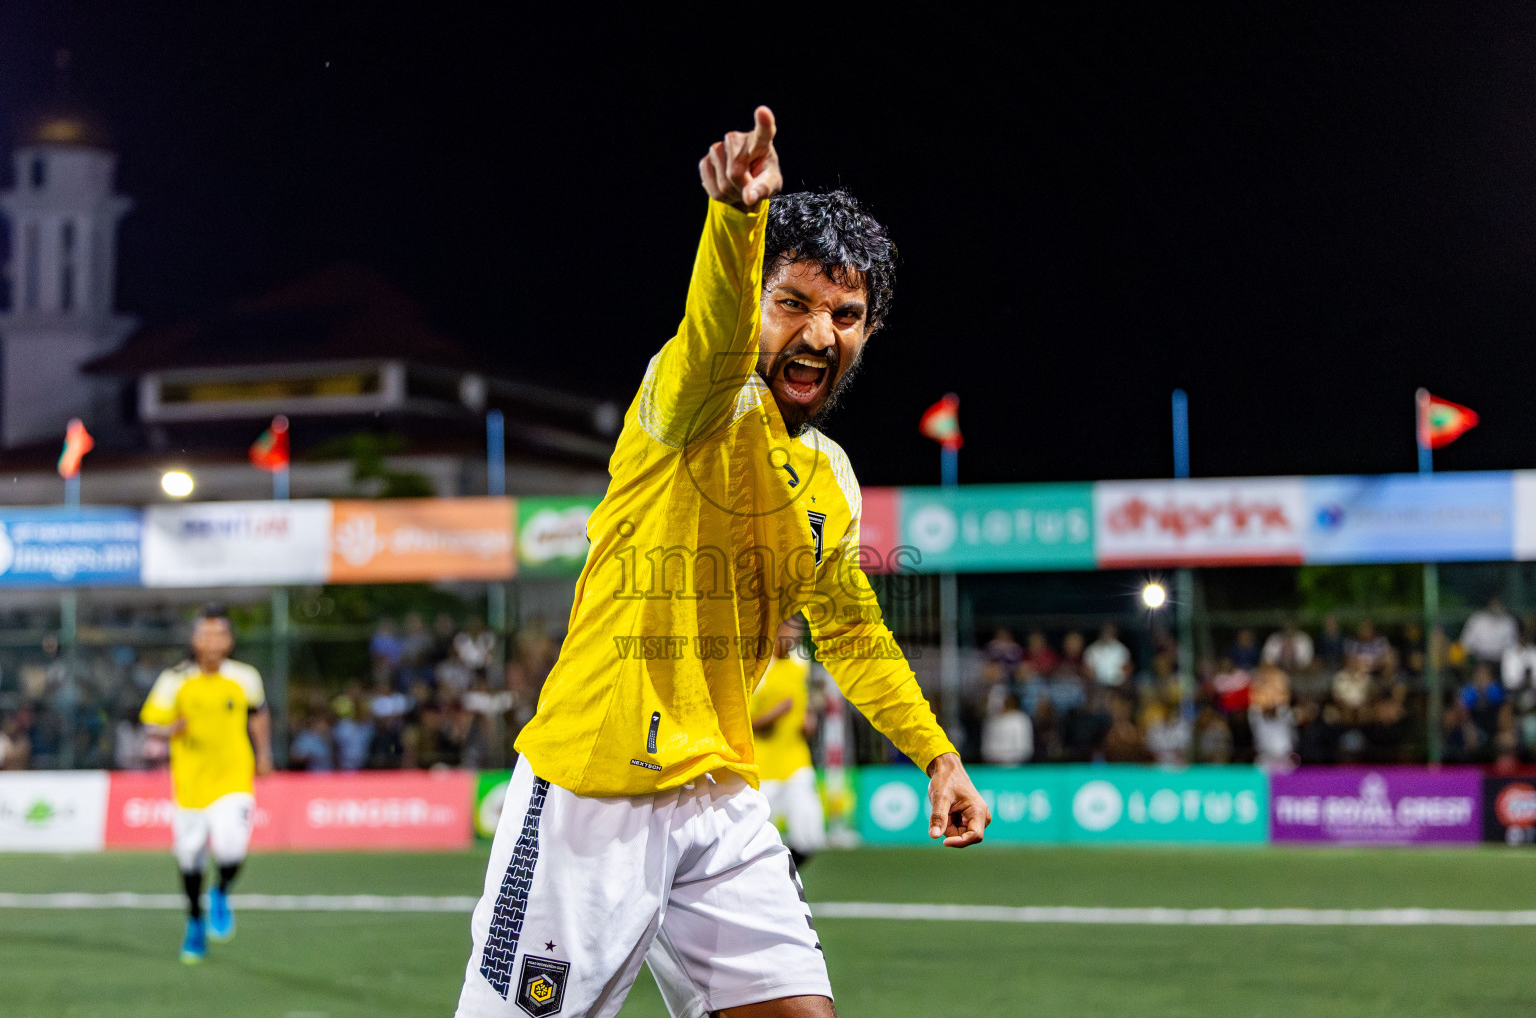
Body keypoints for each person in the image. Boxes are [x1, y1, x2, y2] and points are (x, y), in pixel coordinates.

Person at [456, 108, 988, 1018]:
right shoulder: (691, 397)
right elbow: (709, 330)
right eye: (794, 304)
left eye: (846, 316)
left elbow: (852, 631)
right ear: (755, 303)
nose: (820, 335)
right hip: (597, 787)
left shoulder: (831, 478)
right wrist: (738, 220)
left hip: (721, 794)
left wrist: (936, 755)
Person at [138, 604, 272, 964]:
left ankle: (221, 891)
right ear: (194, 639)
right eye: (206, 633)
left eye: (220, 633)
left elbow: (259, 713)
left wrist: (263, 754)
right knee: (190, 859)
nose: (213, 640)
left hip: (233, 778)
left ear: (229, 640)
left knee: (232, 850)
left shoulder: (245, 677)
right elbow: (151, 723)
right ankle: (195, 923)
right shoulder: (174, 679)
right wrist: (170, 730)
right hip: (191, 784)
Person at [750, 619, 828, 864]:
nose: (793, 637)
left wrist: (809, 715)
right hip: (761, 767)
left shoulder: (799, 661)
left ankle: (785, 878)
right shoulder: (757, 668)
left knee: (810, 836)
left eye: (798, 632)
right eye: (788, 630)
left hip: (796, 761)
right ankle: (769, 881)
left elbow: (807, 694)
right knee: (752, 840)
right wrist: (775, 714)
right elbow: (741, 722)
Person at [1460, 597, 1519, 666]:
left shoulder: (1508, 622)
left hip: (1501, 661)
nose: (1495, 606)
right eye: (1493, 603)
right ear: (1488, 604)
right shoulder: (1477, 620)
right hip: (1480, 660)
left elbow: (1513, 646)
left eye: (1498, 603)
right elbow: (1465, 644)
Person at [1083, 622, 1132, 688]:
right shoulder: (1092, 649)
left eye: (1110, 631)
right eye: (1105, 631)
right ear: (1101, 633)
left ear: (1115, 633)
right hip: (1098, 684)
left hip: (1117, 684)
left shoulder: (1122, 650)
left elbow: (1127, 668)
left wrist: (1121, 680)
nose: (1107, 634)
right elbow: (1087, 669)